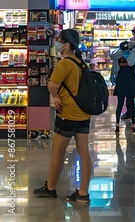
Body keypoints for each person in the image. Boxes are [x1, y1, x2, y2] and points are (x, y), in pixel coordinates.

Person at [34, 29, 92, 203]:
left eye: (59, 40)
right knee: (84, 152)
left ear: (67, 45)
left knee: (58, 151)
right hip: (83, 113)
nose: (56, 43)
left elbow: (52, 84)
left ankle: (50, 188)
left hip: (67, 113)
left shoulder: (64, 63)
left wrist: (56, 96)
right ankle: (83, 192)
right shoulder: (81, 63)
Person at [112, 41, 135, 134]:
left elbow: (115, 70)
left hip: (121, 81)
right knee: (131, 104)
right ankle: (133, 125)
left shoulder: (117, 56)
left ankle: (117, 125)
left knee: (120, 104)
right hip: (131, 81)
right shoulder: (132, 54)